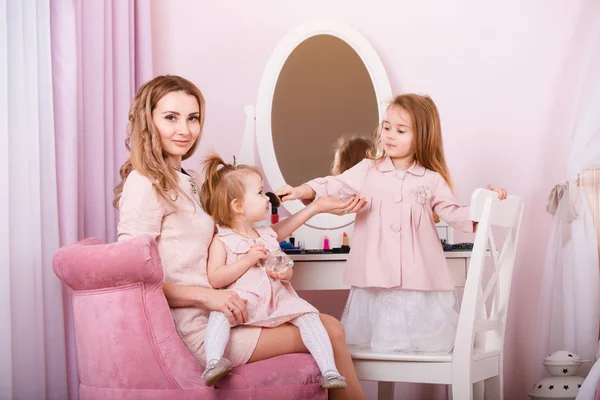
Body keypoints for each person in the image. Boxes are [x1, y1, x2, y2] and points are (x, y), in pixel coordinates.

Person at [114, 75, 367, 399]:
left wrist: (315, 208)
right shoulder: (145, 182)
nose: (185, 130)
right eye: (171, 118)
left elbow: (249, 237)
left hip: (223, 315)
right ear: (148, 121)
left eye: (193, 118)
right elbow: (132, 281)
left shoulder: (186, 181)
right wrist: (208, 297)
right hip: (196, 329)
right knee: (330, 331)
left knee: (328, 329)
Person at [277, 94, 507, 353]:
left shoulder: (431, 180)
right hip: (375, 284)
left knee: (423, 346)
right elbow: (333, 184)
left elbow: (453, 213)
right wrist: (301, 190)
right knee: (377, 348)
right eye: (386, 127)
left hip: (418, 283)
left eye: (400, 130)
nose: (389, 135)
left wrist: (486, 205)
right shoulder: (367, 170)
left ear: (422, 136)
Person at [198, 153, 347, 389]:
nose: (267, 197)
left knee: (309, 316)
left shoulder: (266, 235)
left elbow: (283, 264)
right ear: (237, 206)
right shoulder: (223, 240)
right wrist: (247, 260)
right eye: (259, 192)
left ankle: (330, 371)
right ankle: (214, 362)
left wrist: (284, 273)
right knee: (219, 315)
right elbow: (216, 278)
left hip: (276, 301)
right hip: (245, 304)